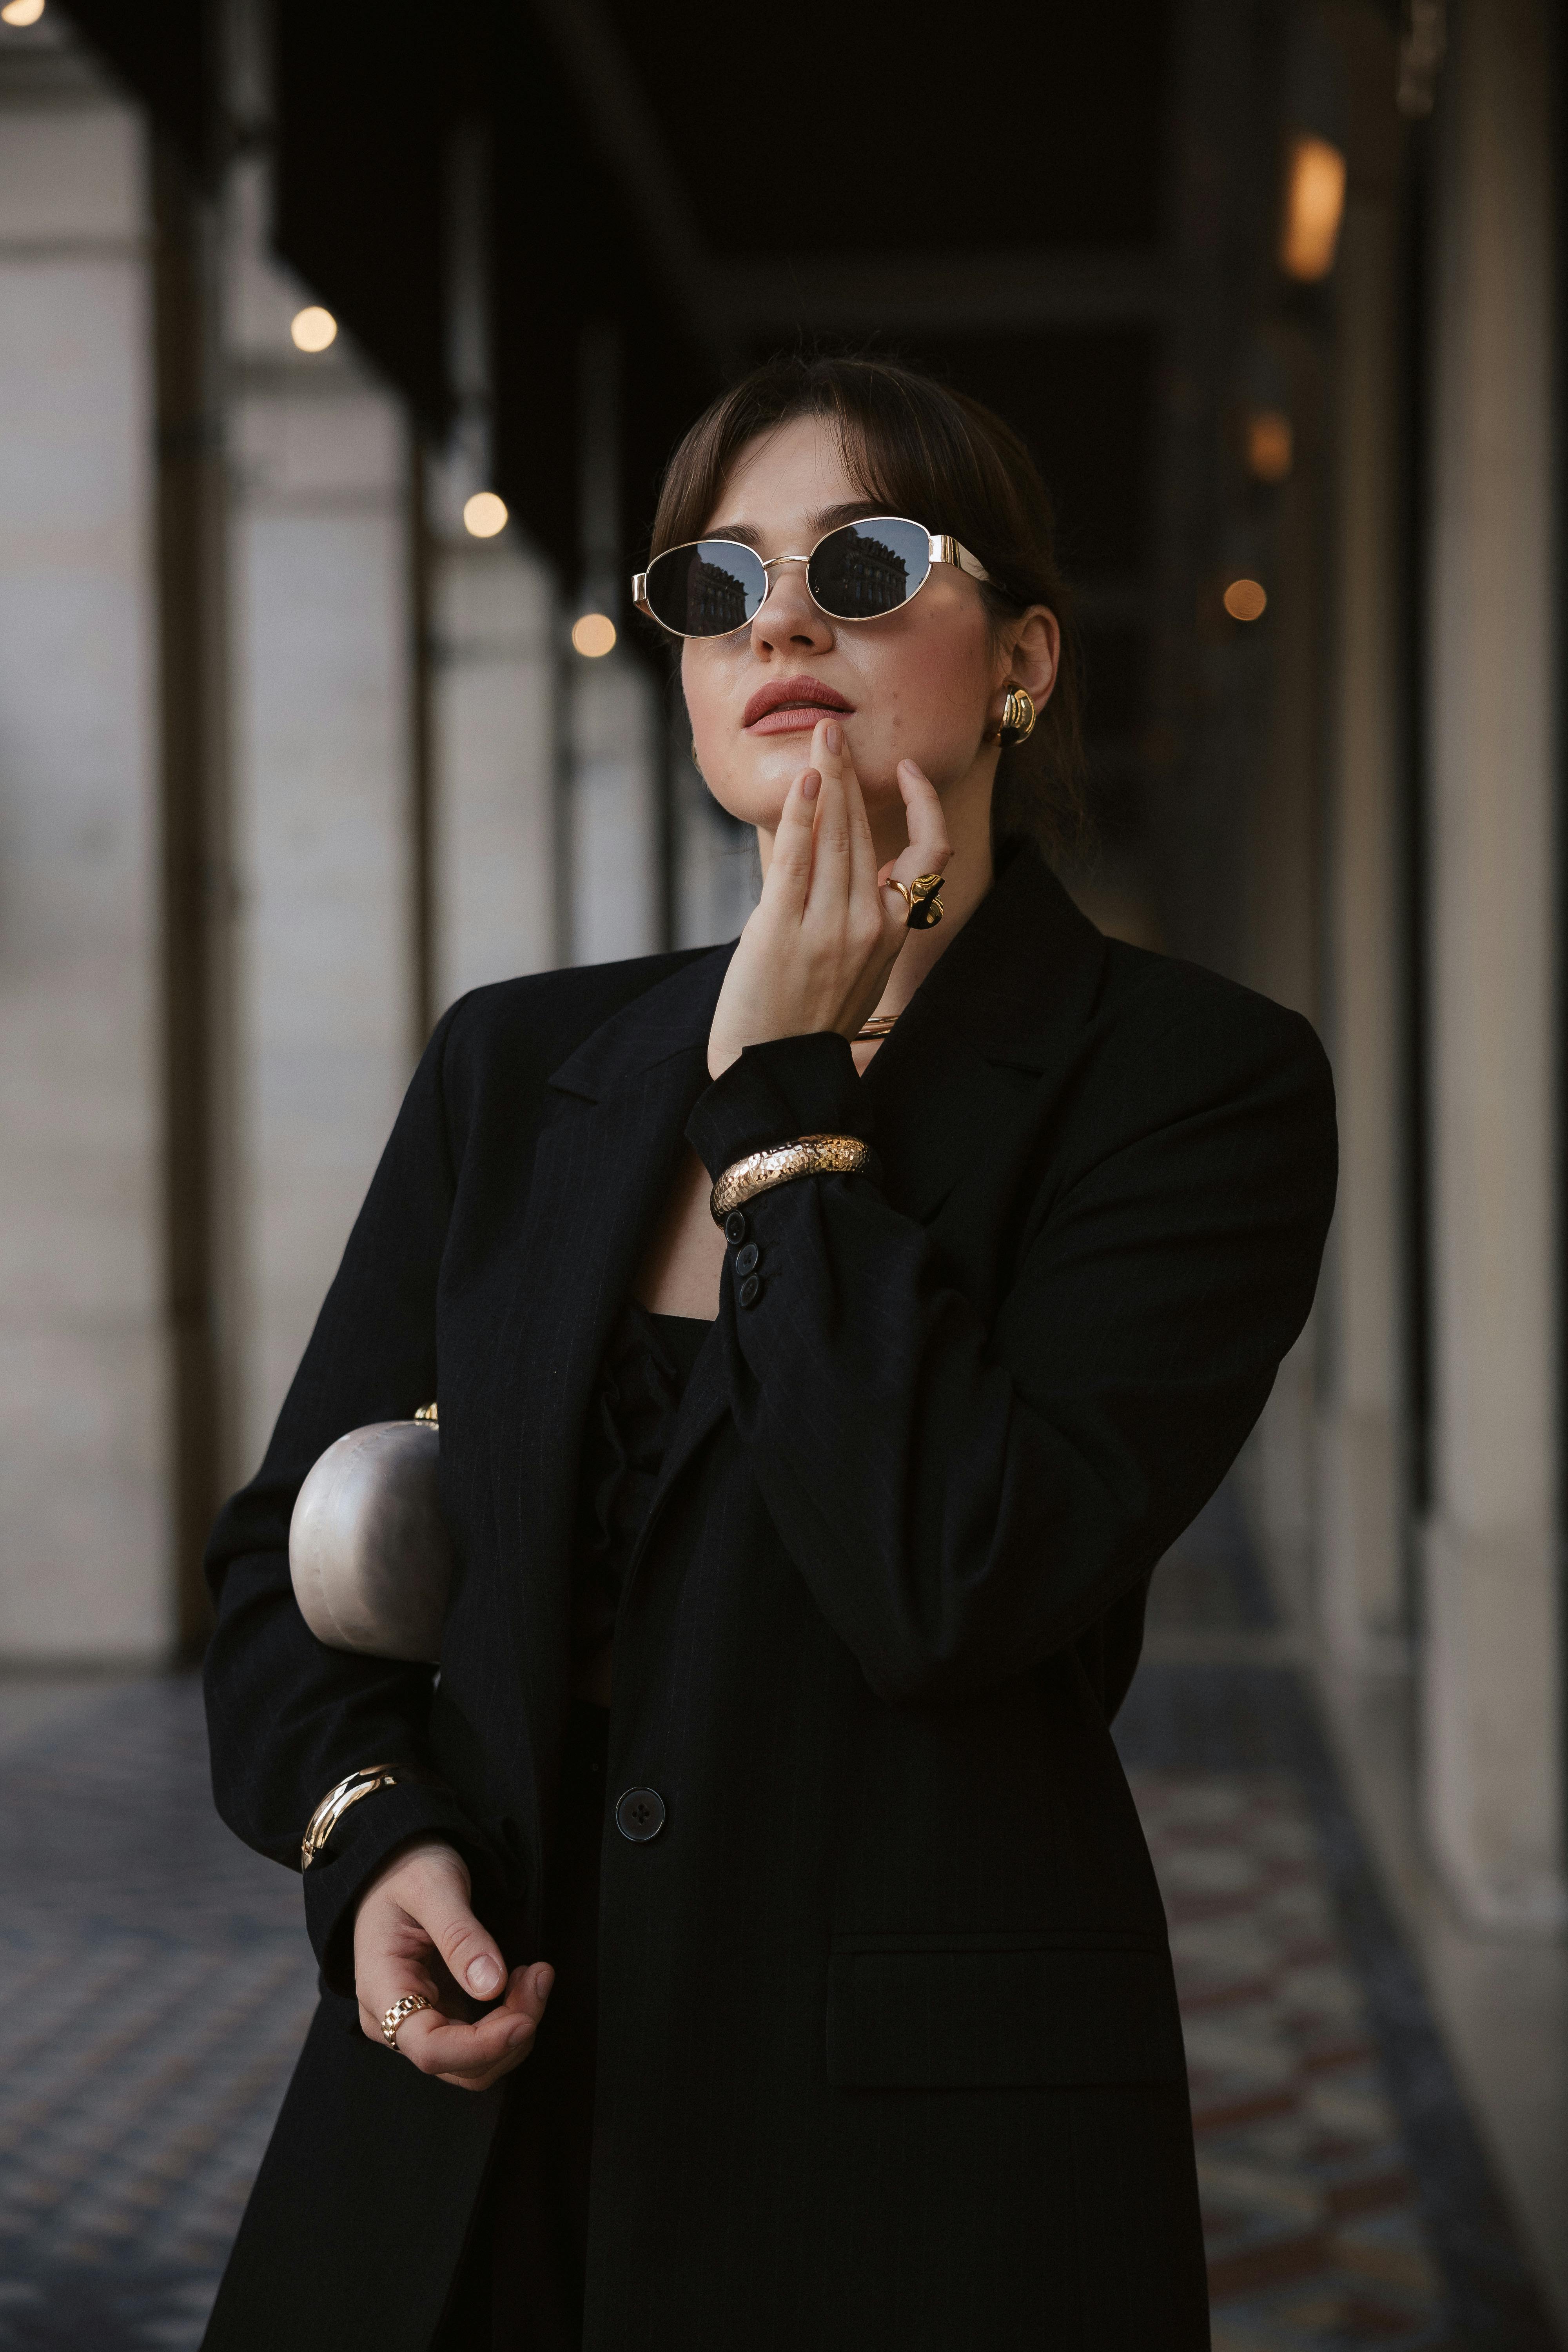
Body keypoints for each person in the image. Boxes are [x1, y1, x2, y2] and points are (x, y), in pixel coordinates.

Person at [200, 353, 1336, 2352]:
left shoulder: (1192, 1087)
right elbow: (287, 1564)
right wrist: (370, 1838)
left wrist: (791, 1118)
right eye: (717, 585)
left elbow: (952, 1581)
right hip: (469, 2133)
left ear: (1023, 661)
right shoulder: (521, 1061)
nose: (782, 618)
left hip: (902, 2172)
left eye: (869, 562)